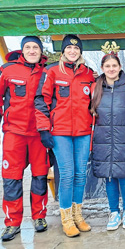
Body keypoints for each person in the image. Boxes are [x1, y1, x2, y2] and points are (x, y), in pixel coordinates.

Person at [35, 34, 94, 237]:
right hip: (60, 132)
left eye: (76, 49)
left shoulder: (88, 73)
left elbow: (94, 101)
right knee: (67, 174)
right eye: (69, 48)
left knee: (80, 175)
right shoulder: (51, 71)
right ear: (63, 51)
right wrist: (43, 129)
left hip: (83, 131)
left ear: (80, 52)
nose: (73, 51)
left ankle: (78, 215)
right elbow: (41, 101)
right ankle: (66, 218)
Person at [90, 46, 125, 231]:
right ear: (103, 68)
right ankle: (114, 212)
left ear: (120, 67)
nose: (111, 69)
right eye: (107, 66)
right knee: (110, 178)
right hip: (103, 141)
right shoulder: (94, 88)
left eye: (114, 65)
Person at [0, 37, 49, 241]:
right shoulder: (8, 70)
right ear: (22, 50)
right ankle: (12, 223)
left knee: (39, 176)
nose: (31, 50)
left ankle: (39, 217)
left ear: (40, 51)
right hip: (14, 133)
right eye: (27, 47)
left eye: (35, 47)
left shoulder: (47, 71)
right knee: (12, 178)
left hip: (39, 134)